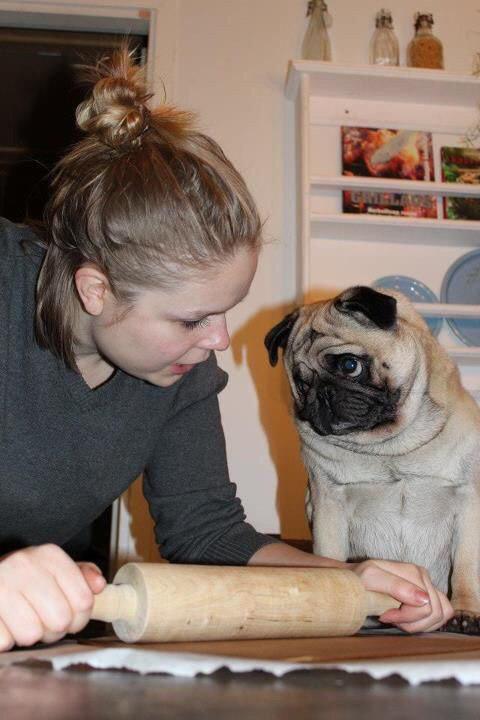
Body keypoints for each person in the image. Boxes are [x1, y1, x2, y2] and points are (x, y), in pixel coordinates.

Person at [0, 47, 453, 652]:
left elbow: (206, 529)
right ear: (95, 290)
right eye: (192, 318)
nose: (218, 341)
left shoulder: (179, 371)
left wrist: (349, 580)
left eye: (223, 313)